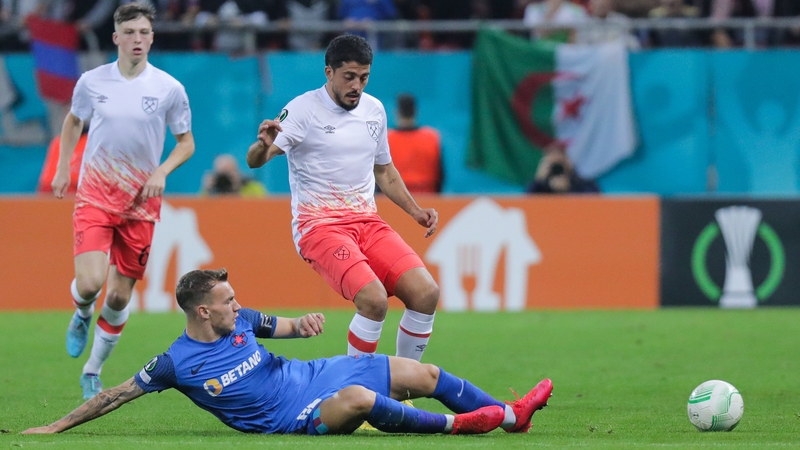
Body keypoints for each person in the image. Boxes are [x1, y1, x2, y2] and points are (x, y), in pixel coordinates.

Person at [22, 268, 554, 436]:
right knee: (359, 400)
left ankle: (512, 417)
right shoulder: (174, 364)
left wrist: (306, 325)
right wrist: (54, 427)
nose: (239, 305)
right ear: (202, 312)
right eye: (228, 301)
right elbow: (114, 395)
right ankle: (461, 427)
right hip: (291, 416)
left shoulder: (242, 321)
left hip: (316, 372)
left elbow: (291, 327)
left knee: (425, 373)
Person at [246, 35, 440, 363]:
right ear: (329, 72)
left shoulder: (374, 110)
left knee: (426, 293)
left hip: (367, 222)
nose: (356, 86)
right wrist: (262, 145)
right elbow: (256, 161)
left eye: (364, 77)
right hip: (319, 227)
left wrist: (415, 210)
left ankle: (405, 385)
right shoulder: (302, 110)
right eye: (349, 76)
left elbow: (384, 170)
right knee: (373, 300)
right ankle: (359, 387)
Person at [51, 1, 195, 401]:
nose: (137, 39)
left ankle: (92, 371)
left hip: (140, 203)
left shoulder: (168, 88)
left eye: (144, 32)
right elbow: (74, 120)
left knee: (117, 296)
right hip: (96, 194)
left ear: (152, 37)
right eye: (130, 32)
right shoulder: (92, 81)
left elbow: (186, 143)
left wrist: (161, 171)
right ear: (116, 37)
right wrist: (63, 167)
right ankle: (82, 312)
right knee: (91, 284)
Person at [387, 94, 443, 194]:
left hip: (392, 197)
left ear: (397, 112)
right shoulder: (431, 137)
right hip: (427, 196)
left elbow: (378, 174)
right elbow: (440, 175)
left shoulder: (386, 139)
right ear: (416, 112)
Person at [38, 122, 89, 194]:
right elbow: (47, 181)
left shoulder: (87, 141)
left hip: (77, 188)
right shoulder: (57, 142)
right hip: (56, 188)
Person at [527, 144, 600, 194]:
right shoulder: (539, 186)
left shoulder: (584, 184)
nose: (557, 169)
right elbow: (526, 205)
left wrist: (569, 188)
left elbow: (594, 202)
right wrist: (538, 180)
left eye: (560, 163)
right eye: (553, 165)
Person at [201, 153, 267, 197]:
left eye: (229, 173)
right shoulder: (211, 191)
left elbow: (263, 206)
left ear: (237, 172)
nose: (225, 180)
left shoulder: (252, 188)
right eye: (221, 175)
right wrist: (207, 190)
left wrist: (236, 189)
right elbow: (200, 210)